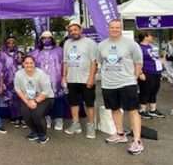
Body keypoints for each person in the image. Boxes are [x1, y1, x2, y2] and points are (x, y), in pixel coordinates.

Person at [97, 19, 145, 155]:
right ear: (108, 28)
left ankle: (137, 141)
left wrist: (134, 78)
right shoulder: (101, 45)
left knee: (133, 111)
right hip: (108, 84)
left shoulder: (131, 44)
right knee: (115, 109)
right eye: (112, 27)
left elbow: (138, 62)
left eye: (117, 27)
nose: (115, 30)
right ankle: (120, 134)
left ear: (121, 28)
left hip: (127, 82)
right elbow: (100, 62)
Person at [62, 22, 98, 138]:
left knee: (89, 104)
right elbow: (65, 62)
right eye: (71, 31)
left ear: (80, 30)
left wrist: (91, 78)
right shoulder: (67, 43)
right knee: (73, 103)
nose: (73, 32)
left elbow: (94, 62)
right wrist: (64, 76)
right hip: (72, 79)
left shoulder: (90, 43)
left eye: (75, 30)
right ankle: (75, 124)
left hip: (86, 79)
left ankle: (91, 126)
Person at [14, 55, 55, 144]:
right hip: (28, 98)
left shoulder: (41, 74)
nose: (29, 65)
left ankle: (42, 135)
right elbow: (18, 89)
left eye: (31, 63)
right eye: (26, 63)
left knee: (37, 114)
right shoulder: (18, 74)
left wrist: (35, 101)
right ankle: (35, 132)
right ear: (23, 64)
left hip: (46, 98)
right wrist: (27, 102)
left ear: (34, 64)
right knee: (25, 113)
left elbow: (46, 91)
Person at [30, 31, 65, 132]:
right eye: (44, 38)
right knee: (44, 101)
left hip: (56, 80)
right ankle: (47, 118)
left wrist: (64, 77)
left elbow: (64, 64)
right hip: (41, 81)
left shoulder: (59, 50)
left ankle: (59, 119)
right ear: (40, 40)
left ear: (52, 39)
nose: (46, 40)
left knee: (58, 100)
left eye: (48, 38)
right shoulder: (36, 52)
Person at [137, 31, 165, 119]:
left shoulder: (152, 46)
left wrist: (162, 59)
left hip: (156, 71)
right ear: (145, 37)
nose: (152, 37)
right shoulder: (139, 48)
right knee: (145, 91)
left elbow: (155, 58)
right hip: (146, 72)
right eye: (150, 35)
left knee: (154, 90)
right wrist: (140, 73)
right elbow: (136, 61)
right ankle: (142, 110)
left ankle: (153, 110)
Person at [0, 36, 22, 128]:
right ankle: (14, 117)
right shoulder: (2, 54)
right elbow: (0, 68)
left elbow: (24, 65)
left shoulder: (19, 53)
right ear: (6, 44)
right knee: (11, 100)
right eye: (9, 42)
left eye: (13, 42)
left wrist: (20, 60)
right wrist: (2, 82)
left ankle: (22, 117)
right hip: (7, 80)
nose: (11, 44)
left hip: (19, 80)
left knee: (20, 99)